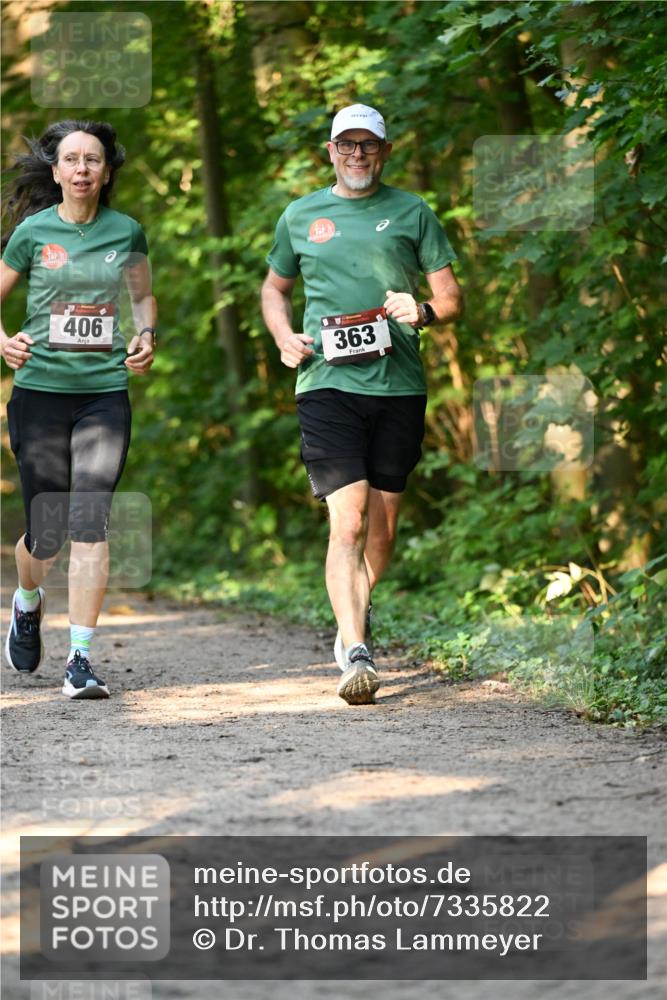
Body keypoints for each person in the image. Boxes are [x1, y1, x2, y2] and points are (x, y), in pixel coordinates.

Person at [261, 103, 463, 706]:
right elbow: (275, 289)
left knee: (382, 529)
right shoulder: (300, 215)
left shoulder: (412, 211)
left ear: (385, 151)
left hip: (399, 384)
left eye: (367, 145)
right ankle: (354, 651)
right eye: (345, 145)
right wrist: (282, 336)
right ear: (329, 151)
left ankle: (358, 610)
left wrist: (423, 311)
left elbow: (451, 297)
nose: (356, 155)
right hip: (326, 383)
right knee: (346, 521)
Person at [1, 119, 157, 699]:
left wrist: (146, 335)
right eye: (72, 159)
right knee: (47, 535)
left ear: (107, 170)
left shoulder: (127, 232)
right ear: (57, 171)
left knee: (91, 519)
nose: (83, 169)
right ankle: (27, 599)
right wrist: (3, 341)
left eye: (93, 159)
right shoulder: (33, 233)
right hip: (40, 393)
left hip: (102, 394)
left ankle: (81, 660)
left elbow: (141, 296)